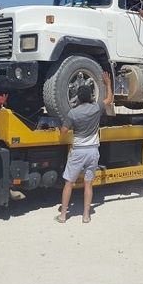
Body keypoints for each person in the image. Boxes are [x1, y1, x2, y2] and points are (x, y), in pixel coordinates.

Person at [55, 71, 113, 223]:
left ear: (78, 98)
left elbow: (63, 132)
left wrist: (63, 129)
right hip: (93, 151)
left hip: (79, 152)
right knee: (88, 184)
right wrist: (107, 83)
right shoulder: (96, 108)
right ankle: (86, 216)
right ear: (90, 96)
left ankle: (63, 216)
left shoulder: (73, 113)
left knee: (69, 183)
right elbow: (109, 99)